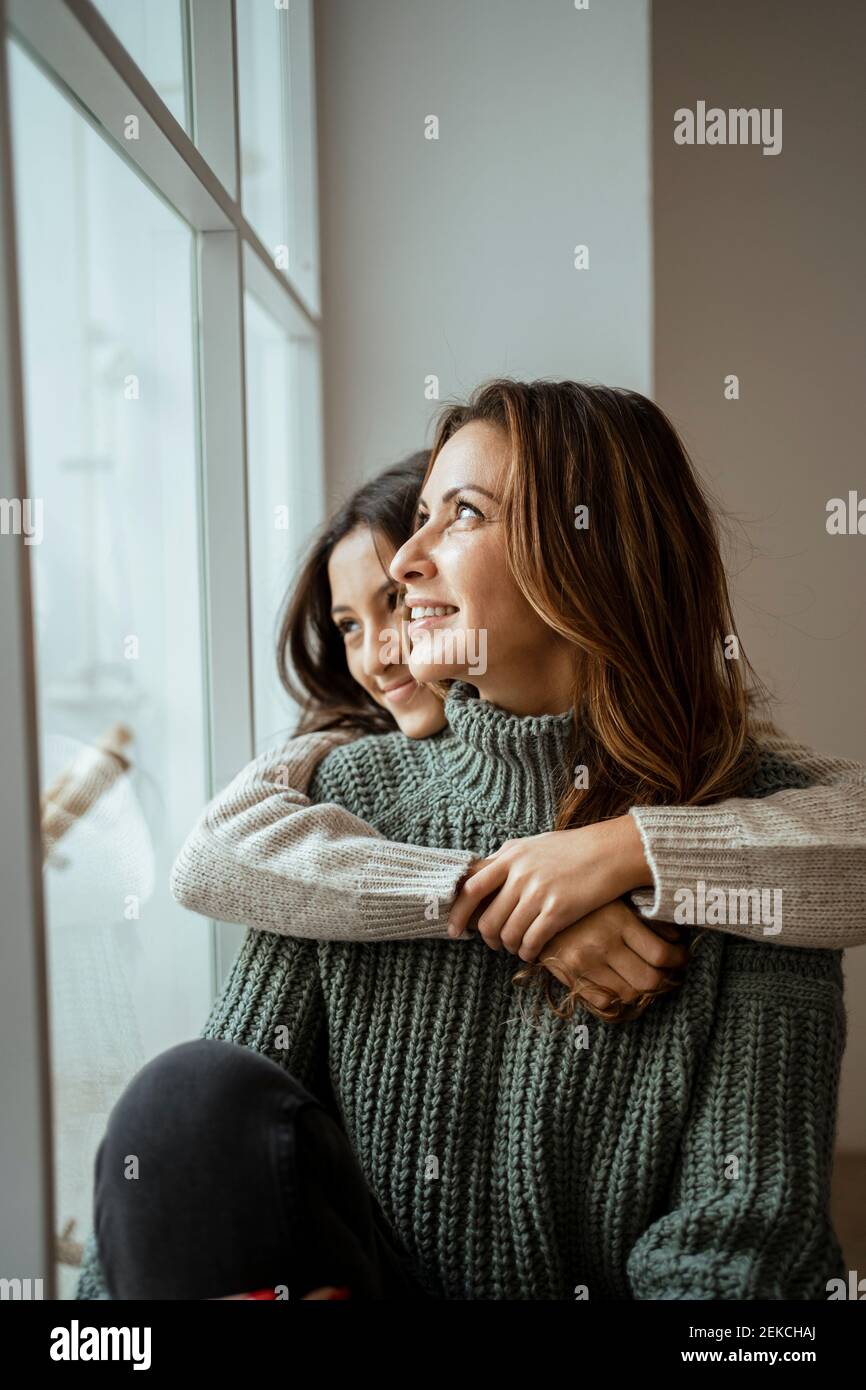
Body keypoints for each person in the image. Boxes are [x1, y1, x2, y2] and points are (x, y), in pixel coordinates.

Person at [80, 383, 861, 1300]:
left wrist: (625, 853)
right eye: (420, 518)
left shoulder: (764, 835)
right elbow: (200, 1144)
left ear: (594, 550)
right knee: (181, 1098)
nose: (407, 562)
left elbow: (738, 1257)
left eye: (462, 516)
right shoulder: (341, 800)